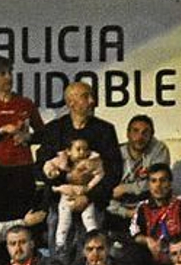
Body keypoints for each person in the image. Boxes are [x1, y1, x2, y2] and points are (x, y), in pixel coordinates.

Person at [0, 56, 45, 220]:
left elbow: (43, 134)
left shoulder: (25, 103)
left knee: (24, 216)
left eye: (9, 72)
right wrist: (1, 131)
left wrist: (28, 137)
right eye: (2, 74)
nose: (9, 77)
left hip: (22, 169)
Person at [35, 82, 121, 217]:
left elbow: (115, 170)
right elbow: (39, 168)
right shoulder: (54, 130)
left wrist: (88, 197)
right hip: (58, 204)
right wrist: (67, 176)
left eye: (92, 96)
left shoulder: (104, 130)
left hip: (93, 204)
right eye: (86, 97)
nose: (92, 101)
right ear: (71, 103)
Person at [44, 137, 106, 251]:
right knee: (64, 218)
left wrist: (90, 186)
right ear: (68, 151)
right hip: (67, 192)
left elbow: (100, 174)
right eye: (78, 149)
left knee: (89, 217)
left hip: (84, 192)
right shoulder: (62, 160)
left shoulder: (93, 162)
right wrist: (53, 173)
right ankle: (60, 242)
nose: (82, 152)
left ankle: (93, 237)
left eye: (85, 149)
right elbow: (48, 165)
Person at [108, 114, 170, 222]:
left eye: (145, 133)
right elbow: (106, 191)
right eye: (135, 131)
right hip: (118, 209)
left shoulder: (158, 150)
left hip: (148, 207)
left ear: (152, 135)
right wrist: (126, 213)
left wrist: (126, 188)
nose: (140, 137)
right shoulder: (115, 153)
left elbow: (158, 182)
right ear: (128, 133)